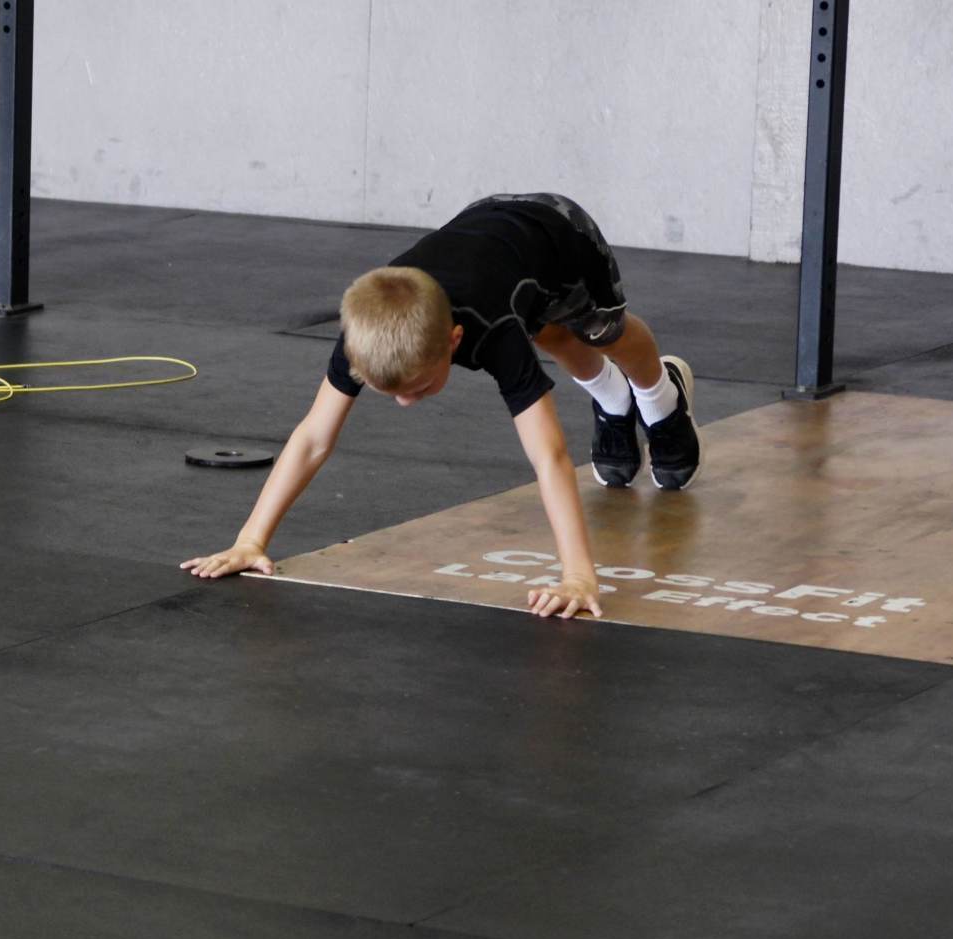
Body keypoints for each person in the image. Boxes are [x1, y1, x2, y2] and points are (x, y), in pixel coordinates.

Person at [180, 192, 700, 620]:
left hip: (558, 239)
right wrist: (250, 540)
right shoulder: (365, 338)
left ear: (455, 341)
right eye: (393, 393)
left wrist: (579, 575)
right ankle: (613, 403)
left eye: (421, 388)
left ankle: (660, 397)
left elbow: (549, 457)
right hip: (493, 252)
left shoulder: (493, 333)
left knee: (592, 335)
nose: (407, 403)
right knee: (553, 337)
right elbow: (314, 437)